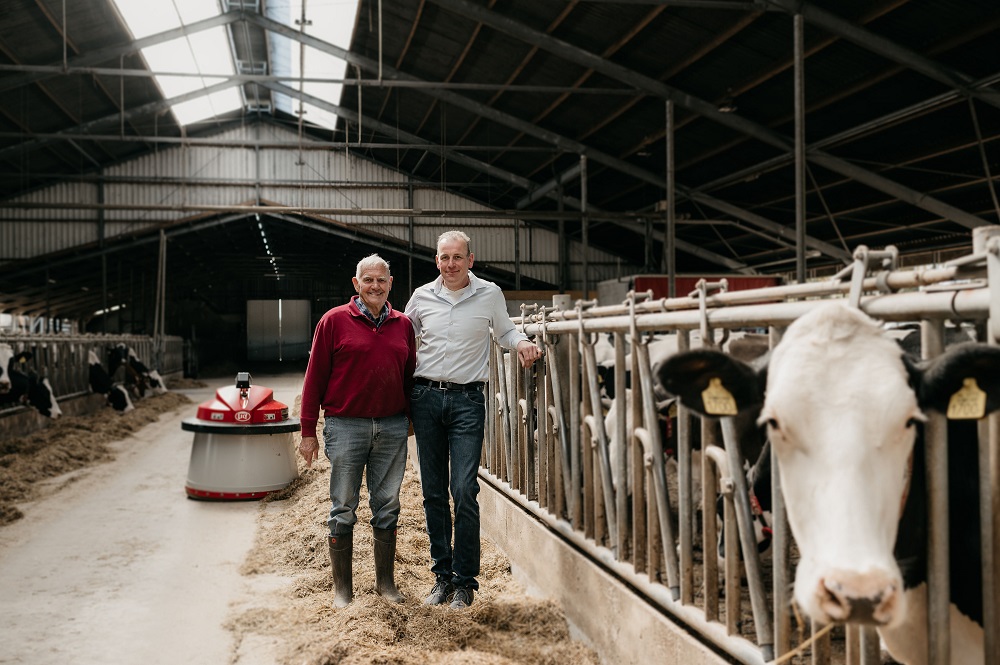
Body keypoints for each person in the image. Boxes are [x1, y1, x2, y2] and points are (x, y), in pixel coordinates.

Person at [405, 230, 542, 609]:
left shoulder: (489, 293)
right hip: (426, 398)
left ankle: (465, 582)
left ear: (471, 259)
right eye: (444, 257)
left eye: (457, 257)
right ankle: (441, 577)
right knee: (433, 491)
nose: (450, 264)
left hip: (467, 400)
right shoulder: (420, 297)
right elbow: (401, 338)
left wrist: (523, 343)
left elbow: (506, 331)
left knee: (464, 490)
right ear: (436, 260)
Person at [298, 254, 416, 608]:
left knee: (388, 504)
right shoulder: (333, 321)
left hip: (392, 426)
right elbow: (314, 377)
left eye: (381, 280)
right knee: (343, 505)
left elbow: (410, 376)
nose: (375, 286)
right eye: (368, 280)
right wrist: (308, 430)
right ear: (356, 284)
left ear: (390, 284)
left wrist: (410, 418)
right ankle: (342, 591)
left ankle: (386, 585)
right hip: (345, 425)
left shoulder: (403, 324)